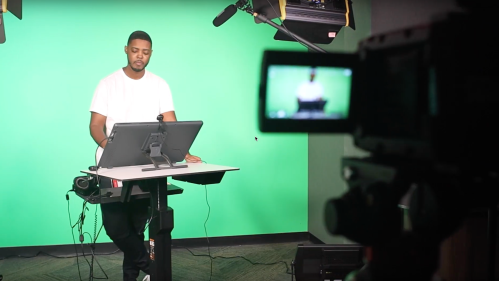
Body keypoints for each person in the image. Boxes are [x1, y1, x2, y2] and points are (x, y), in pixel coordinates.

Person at [88, 30, 202, 281]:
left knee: (138, 226)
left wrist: (185, 152)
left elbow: (171, 122)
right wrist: (112, 147)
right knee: (117, 228)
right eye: (136, 50)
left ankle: (132, 278)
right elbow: (96, 126)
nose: (140, 56)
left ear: (151, 54)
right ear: (126, 49)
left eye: (146, 52)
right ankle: (155, 270)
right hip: (112, 164)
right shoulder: (108, 83)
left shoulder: (159, 84)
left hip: (146, 163)